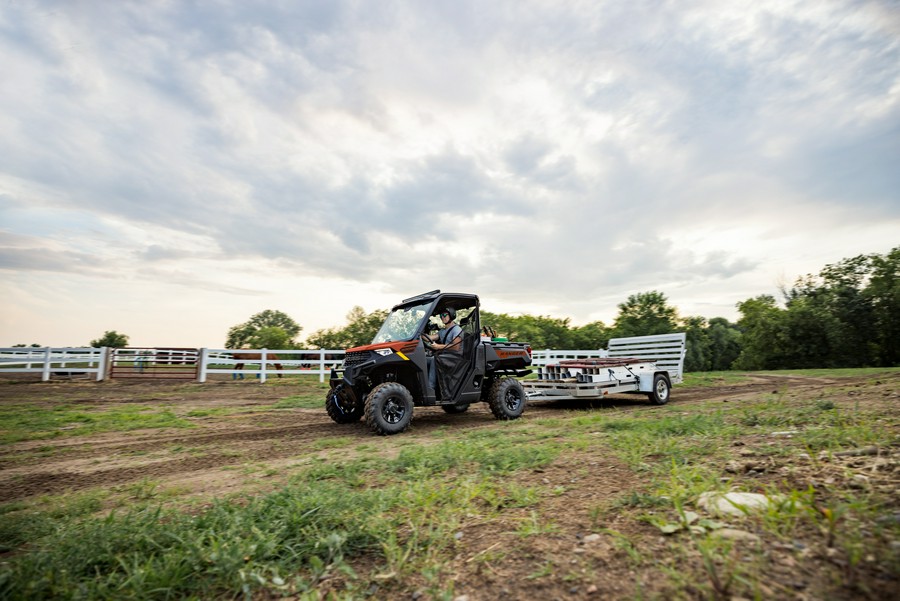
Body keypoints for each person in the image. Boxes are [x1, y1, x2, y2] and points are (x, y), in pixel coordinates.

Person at [425, 307, 462, 393]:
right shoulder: (443, 331)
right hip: (444, 357)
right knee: (425, 359)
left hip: (454, 357)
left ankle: (430, 389)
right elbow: (430, 338)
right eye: (441, 315)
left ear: (452, 315)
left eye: (445, 315)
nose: (442, 317)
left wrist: (438, 347)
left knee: (435, 359)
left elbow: (455, 347)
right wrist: (419, 333)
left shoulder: (456, 329)